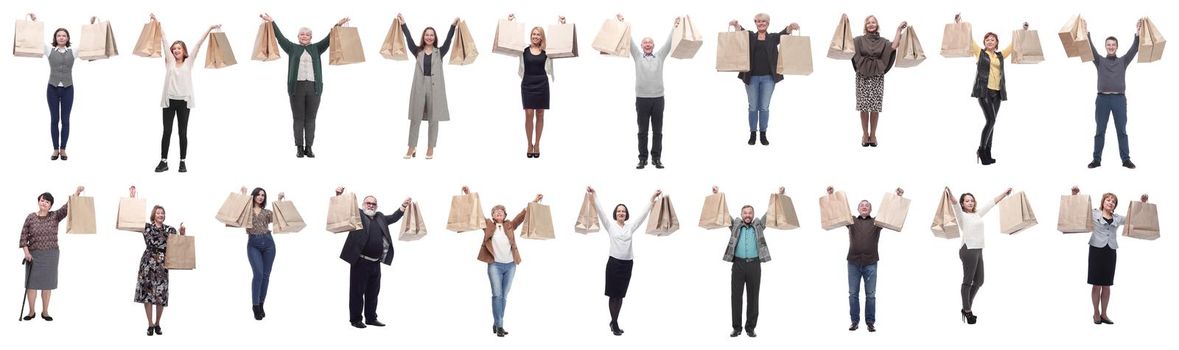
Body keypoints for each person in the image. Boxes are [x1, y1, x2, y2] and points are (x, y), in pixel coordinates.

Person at [260, 13, 350, 158]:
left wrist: (338, 25)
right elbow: (280, 37)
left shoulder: (316, 48)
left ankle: (309, 147)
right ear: (298, 37)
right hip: (297, 88)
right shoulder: (292, 48)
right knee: (298, 118)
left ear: (311, 37)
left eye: (307, 35)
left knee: (311, 118)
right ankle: (299, 148)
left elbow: (330, 38)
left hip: (314, 88)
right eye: (301, 34)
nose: (304, 36)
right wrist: (272, 22)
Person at [707, 185, 785, 337]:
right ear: (741, 214)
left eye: (750, 213)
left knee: (753, 297)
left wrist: (780, 195)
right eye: (745, 213)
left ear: (753, 214)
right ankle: (737, 328)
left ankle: (750, 328)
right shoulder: (735, 224)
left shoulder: (759, 225)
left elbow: (770, 212)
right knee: (736, 297)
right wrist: (716, 195)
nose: (747, 215)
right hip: (738, 265)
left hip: (755, 265)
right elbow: (724, 213)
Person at [465, 185, 542, 337]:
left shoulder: (510, 225)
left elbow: (523, 215)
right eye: (496, 211)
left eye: (501, 211)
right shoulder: (487, 224)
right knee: (497, 295)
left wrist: (534, 201)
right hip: (494, 265)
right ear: (493, 216)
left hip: (511, 265)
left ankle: (496, 322)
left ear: (505, 214)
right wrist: (468, 195)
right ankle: (500, 326)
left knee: (504, 296)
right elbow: (477, 213)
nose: (499, 212)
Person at [586, 186, 659, 335]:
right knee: (613, 295)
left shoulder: (630, 227)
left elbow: (642, 216)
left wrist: (652, 201)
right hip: (614, 264)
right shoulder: (610, 226)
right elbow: (600, 211)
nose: (621, 213)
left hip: (627, 265)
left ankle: (614, 321)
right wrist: (595, 195)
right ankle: (615, 323)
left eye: (623, 211)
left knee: (620, 295)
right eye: (619, 211)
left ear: (626, 215)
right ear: (615, 214)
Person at [149, 14, 218, 173]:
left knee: (182, 132)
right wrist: (156, 21)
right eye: (174, 49)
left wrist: (210, 28)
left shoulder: (189, 61)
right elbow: (164, 39)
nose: (175, 50)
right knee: (167, 132)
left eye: (178, 48)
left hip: (184, 102)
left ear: (184, 50)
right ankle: (163, 161)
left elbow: (199, 44)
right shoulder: (170, 62)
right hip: (169, 101)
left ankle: (182, 162)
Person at [830, 186, 904, 332]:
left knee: (870, 295)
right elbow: (838, 211)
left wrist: (897, 196)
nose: (864, 207)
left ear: (870, 209)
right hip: (853, 263)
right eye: (862, 205)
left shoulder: (877, 222)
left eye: (867, 205)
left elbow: (889, 212)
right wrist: (831, 195)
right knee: (853, 294)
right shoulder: (850, 221)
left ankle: (870, 322)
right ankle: (854, 321)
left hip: (871, 263)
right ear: (858, 209)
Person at [1072, 186, 1149, 325]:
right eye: (1108, 200)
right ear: (1103, 202)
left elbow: (1133, 218)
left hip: (1110, 252)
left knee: (1107, 285)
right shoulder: (1094, 213)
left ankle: (1104, 314)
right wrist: (1075, 194)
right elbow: (1078, 208)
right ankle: (1096, 313)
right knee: (1096, 284)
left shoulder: (1117, 218)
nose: (1110, 202)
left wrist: (1142, 203)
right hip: (1096, 250)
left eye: (1113, 201)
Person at [335, 186, 409, 329]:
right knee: (357, 292)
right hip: (360, 261)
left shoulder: (380, 217)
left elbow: (393, 217)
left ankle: (371, 318)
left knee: (373, 293)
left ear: (376, 206)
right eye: (368, 203)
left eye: (373, 203)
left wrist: (403, 206)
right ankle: (356, 320)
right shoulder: (357, 215)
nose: (371, 205)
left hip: (376, 263)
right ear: (363, 205)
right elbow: (343, 211)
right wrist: (339, 196)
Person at [956, 14, 1025, 165]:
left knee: (992, 122)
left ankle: (988, 152)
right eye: (987, 39)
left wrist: (1023, 30)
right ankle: (981, 150)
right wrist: (959, 22)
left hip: (997, 93)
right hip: (984, 92)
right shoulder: (980, 53)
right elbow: (969, 38)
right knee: (991, 120)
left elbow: (1013, 45)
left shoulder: (1000, 56)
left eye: (992, 39)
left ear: (996, 43)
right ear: (984, 42)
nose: (989, 41)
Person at [26, 14, 96, 161]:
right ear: (55, 38)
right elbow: (37, 39)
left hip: (68, 88)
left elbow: (89, 47)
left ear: (68, 38)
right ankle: (54, 149)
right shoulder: (49, 50)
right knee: (54, 119)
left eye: (64, 35)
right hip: (52, 88)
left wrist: (91, 26)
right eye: (59, 35)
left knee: (65, 120)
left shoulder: (74, 51)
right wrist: (34, 22)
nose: (62, 37)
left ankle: (63, 149)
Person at [728, 14, 800, 146]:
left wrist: (791, 27)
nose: (761, 23)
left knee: (764, 107)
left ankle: (763, 134)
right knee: (753, 107)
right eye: (759, 21)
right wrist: (736, 25)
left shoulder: (772, 38)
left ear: (768, 23)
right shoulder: (750, 36)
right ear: (755, 23)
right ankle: (752, 134)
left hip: (768, 79)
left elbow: (784, 33)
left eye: (764, 21)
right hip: (752, 78)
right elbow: (741, 31)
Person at [944, 186, 1012, 324]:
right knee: (967, 281)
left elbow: (991, 203)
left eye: (972, 201)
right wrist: (950, 193)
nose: (970, 203)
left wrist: (1005, 194)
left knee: (979, 281)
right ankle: (967, 310)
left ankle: (966, 306)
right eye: (967, 201)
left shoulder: (977, 214)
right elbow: (955, 203)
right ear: (963, 203)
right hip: (968, 250)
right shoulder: (961, 215)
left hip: (979, 250)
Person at [397, 14, 458, 160]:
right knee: (415, 118)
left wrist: (453, 26)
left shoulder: (440, 52)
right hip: (420, 86)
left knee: (434, 118)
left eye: (432, 35)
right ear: (423, 37)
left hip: (435, 87)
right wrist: (403, 24)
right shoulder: (417, 51)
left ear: (434, 37)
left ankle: (430, 148)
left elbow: (449, 41)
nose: (429, 37)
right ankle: (412, 147)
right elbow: (409, 39)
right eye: (427, 35)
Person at [619, 14, 677, 169]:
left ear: (653, 45)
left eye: (650, 42)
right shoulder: (637, 56)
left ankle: (656, 158)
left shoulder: (660, 56)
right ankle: (643, 159)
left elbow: (669, 42)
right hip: (642, 99)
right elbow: (629, 41)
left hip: (658, 98)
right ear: (642, 45)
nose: (647, 44)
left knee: (658, 131)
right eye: (645, 42)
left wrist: (675, 26)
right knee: (642, 131)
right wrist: (622, 22)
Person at [19, 185, 84, 322]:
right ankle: (31, 312)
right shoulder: (30, 217)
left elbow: (67, 207)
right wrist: (26, 253)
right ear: (38, 201)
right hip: (33, 255)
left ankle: (45, 312)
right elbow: (23, 237)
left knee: (47, 285)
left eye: (47, 202)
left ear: (50, 206)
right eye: (42, 200)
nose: (44, 203)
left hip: (51, 255)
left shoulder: (55, 216)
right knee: (31, 285)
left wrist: (76, 193)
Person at [127, 186, 186, 336]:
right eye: (158, 212)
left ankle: (158, 323)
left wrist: (183, 233)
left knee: (160, 295)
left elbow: (180, 244)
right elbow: (133, 218)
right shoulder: (146, 227)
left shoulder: (170, 230)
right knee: (147, 294)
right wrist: (132, 197)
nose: (161, 214)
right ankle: (150, 324)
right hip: (147, 262)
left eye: (163, 213)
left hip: (162, 263)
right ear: (154, 215)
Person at [1086, 20, 1142, 169]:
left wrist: (1137, 33)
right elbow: (1090, 50)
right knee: (1100, 131)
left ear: (1116, 47)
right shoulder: (1099, 61)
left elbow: (1134, 49)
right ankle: (1096, 160)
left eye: (1113, 45)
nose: (1111, 47)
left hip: (1119, 99)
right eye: (1108, 45)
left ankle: (1125, 160)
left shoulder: (1123, 61)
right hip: (1102, 99)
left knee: (1122, 131)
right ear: (1106, 46)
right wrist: (1086, 32)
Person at [848, 14, 905, 147]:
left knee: (874, 108)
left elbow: (894, 46)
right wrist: (846, 22)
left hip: (876, 77)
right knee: (863, 107)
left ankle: (872, 135)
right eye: (868, 22)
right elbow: (847, 42)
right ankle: (864, 134)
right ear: (865, 26)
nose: (871, 24)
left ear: (877, 25)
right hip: (862, 76)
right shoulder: (858, 40)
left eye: (873, 22)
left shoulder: (883, 41)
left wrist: (898, 30)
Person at [238, 186, 284, 320]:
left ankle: (261, 304)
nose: (260, 197)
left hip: (269, 244)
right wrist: (244, 194)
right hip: (254, 244)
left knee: (265, 276)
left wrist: (279, 200)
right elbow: (238, 212)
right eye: (258, 194)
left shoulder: (267, 212)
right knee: (258, 274)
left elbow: (279, 217)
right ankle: (255, 306)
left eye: (263, 195)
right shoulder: (247, 211)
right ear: (253, 196)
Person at [516, 15, 558, 159]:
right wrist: (511, 22)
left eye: (538, 34)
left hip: (542, 84)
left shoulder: (547, 51)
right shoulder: (524, 50)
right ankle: (529, 144)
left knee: (540, 114)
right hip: (527, 84)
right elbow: (510, 41)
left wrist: (561, 24)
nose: (535, 36)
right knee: (528, 114)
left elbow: (561, 41)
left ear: (542, 37)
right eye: (533, 34)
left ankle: (537, 144)